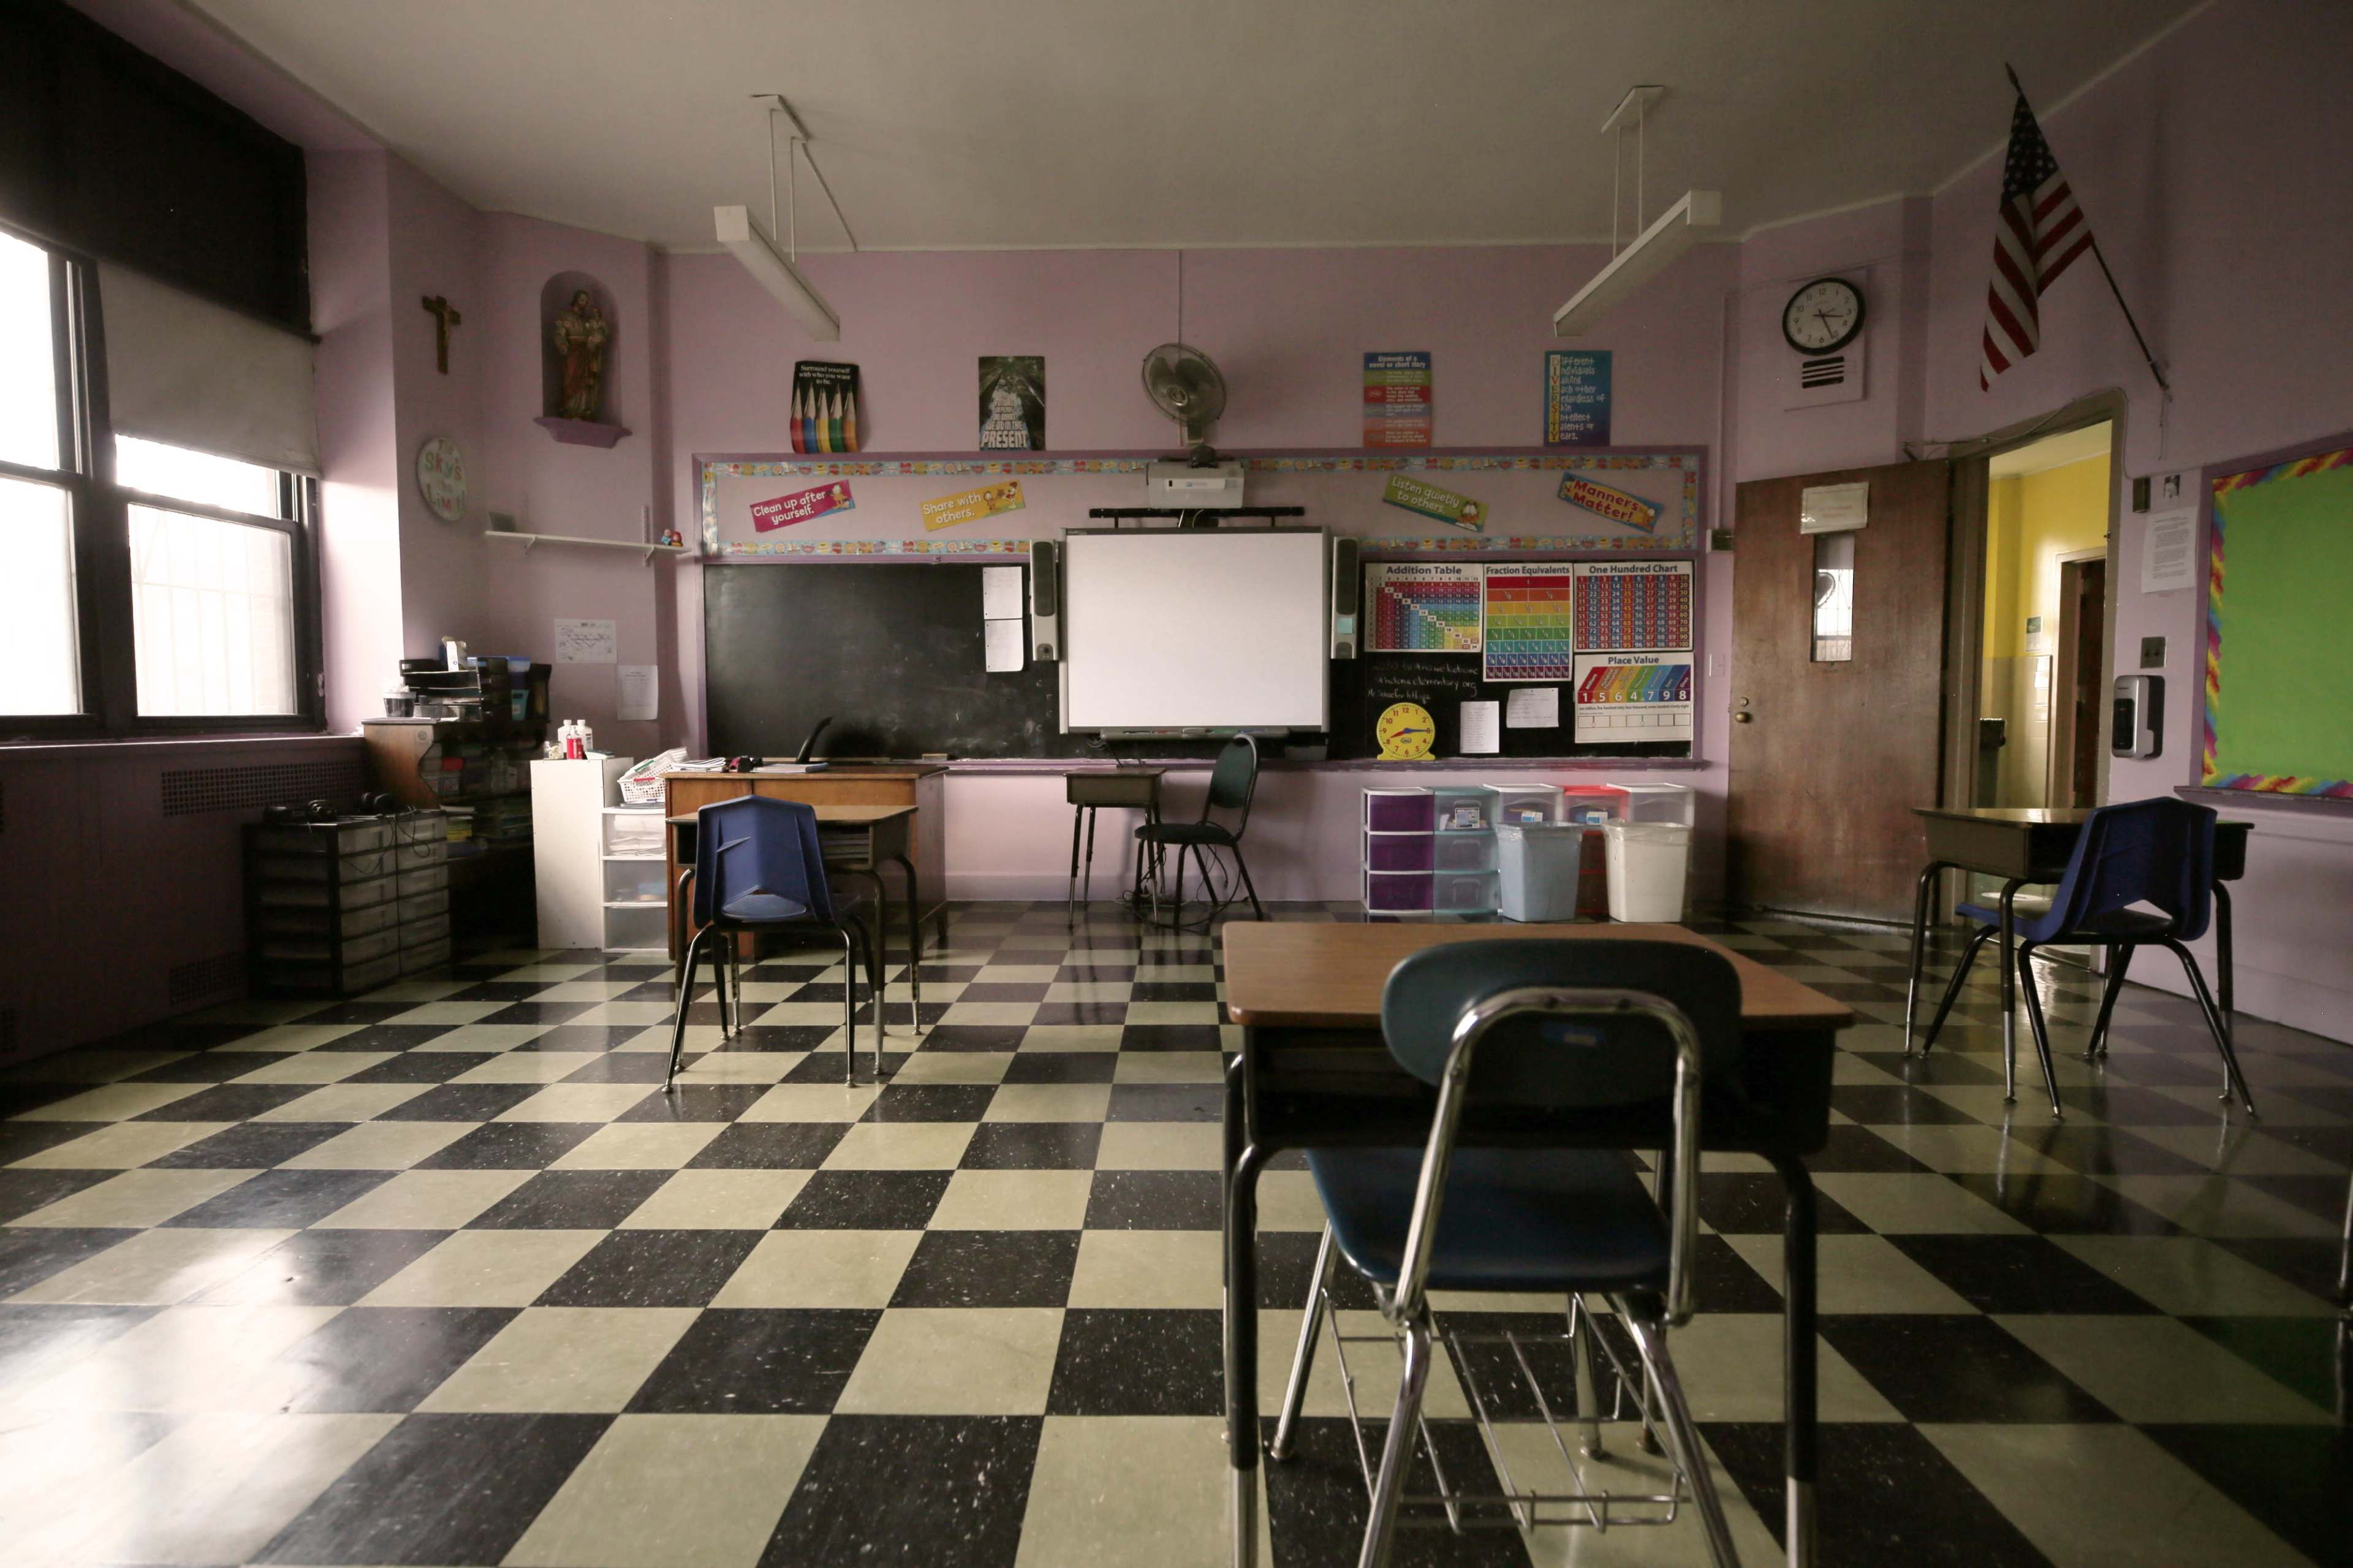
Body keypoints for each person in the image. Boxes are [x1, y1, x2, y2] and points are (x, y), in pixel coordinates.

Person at [551, 290, 609, 421]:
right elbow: (559, 333)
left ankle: (584, 409)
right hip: (573, 351)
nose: (585, 303)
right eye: (582, 300)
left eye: (586, 301)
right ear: (576, 299)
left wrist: (597, 332)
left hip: (586, 352)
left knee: (586, 380)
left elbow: (597, 334)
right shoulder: (566, 316)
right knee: (571, 377)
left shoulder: (586, 320)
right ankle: (571, 409)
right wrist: (562, 345)